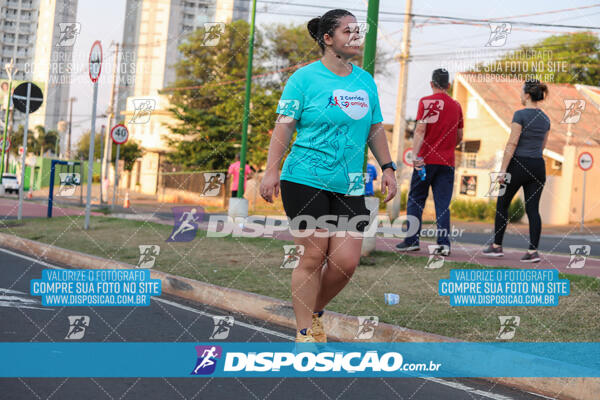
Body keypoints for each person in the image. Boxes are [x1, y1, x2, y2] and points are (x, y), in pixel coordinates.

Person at [259, 9, 397, 343]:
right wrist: (271, 169)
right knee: (313, 254)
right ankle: (305, 330)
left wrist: (388, 167)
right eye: (348, 31)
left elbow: (375, 127)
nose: (356, 37)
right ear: (328, 39)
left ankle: (312, 311)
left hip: (349, 184)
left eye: (357, 31)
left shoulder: (364, 81)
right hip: (304, 177)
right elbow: (285, 125)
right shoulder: (304, 79)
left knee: (346, 262)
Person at [395, 68, 463, 256]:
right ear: (448, 85)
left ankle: (411, 240)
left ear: (431, 84)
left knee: (416, 200)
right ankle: (443, 245)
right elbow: (459, 136)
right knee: (442, 204)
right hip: (447, 162)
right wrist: (448, 147)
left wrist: (415, 156)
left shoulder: (426, 102)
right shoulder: (456, 106)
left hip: (425, 160)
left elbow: (420, 130)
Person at [483, 79, 550, 263]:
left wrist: (503, 170)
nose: (521, 95)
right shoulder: (545, 118)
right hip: (538, 165)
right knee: (533, 210)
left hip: (518, 164)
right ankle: (533, 252)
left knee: (502, 204)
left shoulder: (519, 115)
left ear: (527, 95)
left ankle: (496, 246)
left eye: (522, 92)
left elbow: (512, 142)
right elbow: (543, 146)